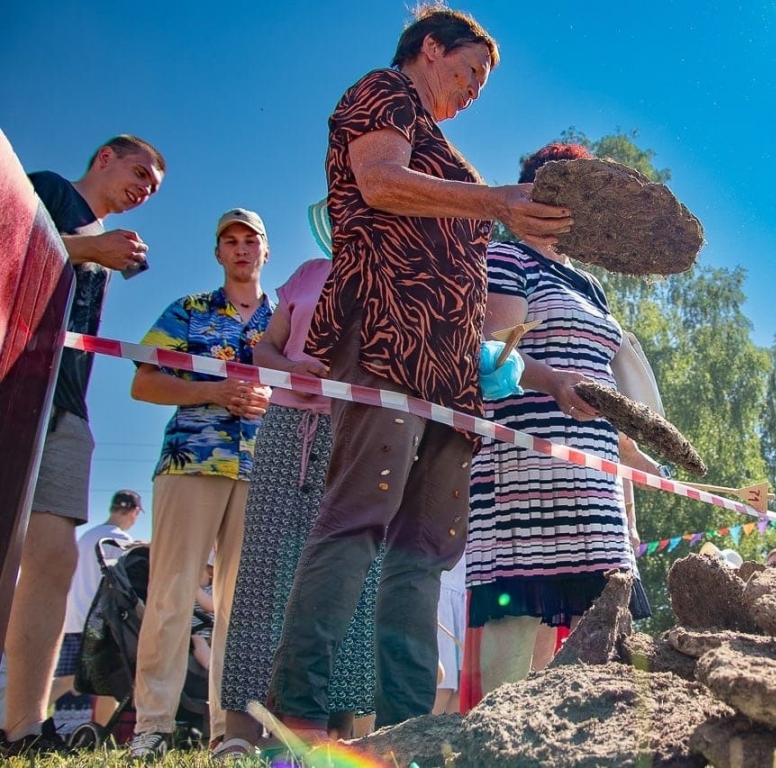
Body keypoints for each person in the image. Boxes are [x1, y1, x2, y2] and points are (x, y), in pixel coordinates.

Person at [264, 5, 572, 742]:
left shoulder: (443, 146)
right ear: (429, 48)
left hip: (450, 372)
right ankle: (295, 718)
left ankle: (408, 731)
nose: (473, 89)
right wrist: (496, 200)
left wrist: (551, 382)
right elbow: (379, 182)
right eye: (468, 70)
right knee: (356, 519)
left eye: (483, 83)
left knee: (422, 549)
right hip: (385, 337)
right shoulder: (382, 91)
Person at [466, 141, 658, 698]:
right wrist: (554, 381)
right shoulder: (507, 258)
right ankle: (493, 748)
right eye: (566, 191)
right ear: (538, 194)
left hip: (591, 471)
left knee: (592, 622)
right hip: (523, 462)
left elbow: (603, 372)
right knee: (520, 615)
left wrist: (633, 451)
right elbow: (491, 356)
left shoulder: (591, 286)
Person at [2, 136, 164, 756]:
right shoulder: (45, 188)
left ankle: (23, 728)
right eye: (140, 171)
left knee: (53, 558)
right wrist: (81, 248)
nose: (145, 187)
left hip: (66, 400)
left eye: (154, 185)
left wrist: (95, 251)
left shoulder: (103, 236)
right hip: (13, 379)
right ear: (104, 157)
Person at [216, 211, 382, 760]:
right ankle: (241, 728)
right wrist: (295, 369)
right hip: (288, 430)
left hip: (357, 432)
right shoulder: (307, 274)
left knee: (348, 575)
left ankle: (332, 733)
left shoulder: (393, 280)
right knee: (264, 572)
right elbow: (264, 351)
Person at [126, 208, 273, 758]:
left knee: (245, 607)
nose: (240, 249)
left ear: (265, 251)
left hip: (263, 471)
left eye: (250, 240)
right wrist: (213, 392)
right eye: (229, 241)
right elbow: (144, 382)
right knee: (172, 594)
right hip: (192, 463)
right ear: (217, 253)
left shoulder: (282, 320)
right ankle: (152, 728)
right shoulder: (187, 311)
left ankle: (230, 734)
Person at [51, 490, 143, 727]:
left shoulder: (87, 536)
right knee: (80, 680)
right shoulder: (118, 541)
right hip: (96, 622)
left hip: (73, 618)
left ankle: (101, 735)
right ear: (134, 512)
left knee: (92, 682)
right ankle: (21, 715)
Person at [432, 557, 466, 715]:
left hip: (467, 591)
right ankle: (424, 735)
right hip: (441, 592)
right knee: (443, 685)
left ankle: (447, 739)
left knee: (463, 684)